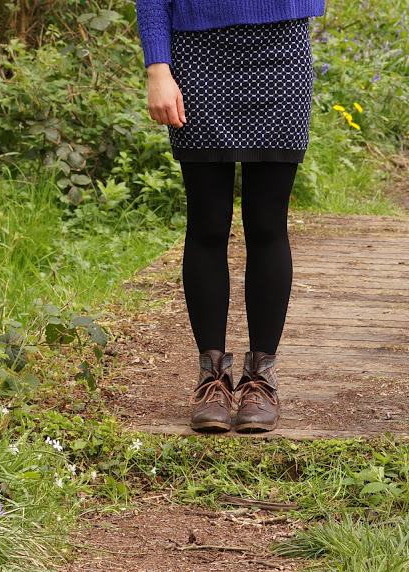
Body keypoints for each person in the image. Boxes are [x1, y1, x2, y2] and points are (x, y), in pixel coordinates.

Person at [135, 0, 325, 432]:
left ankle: (261, 380)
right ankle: (212, 380)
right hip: (197, 54)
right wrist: (157, 68)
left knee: (266, 223)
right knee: (206, 222)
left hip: (281, 47)